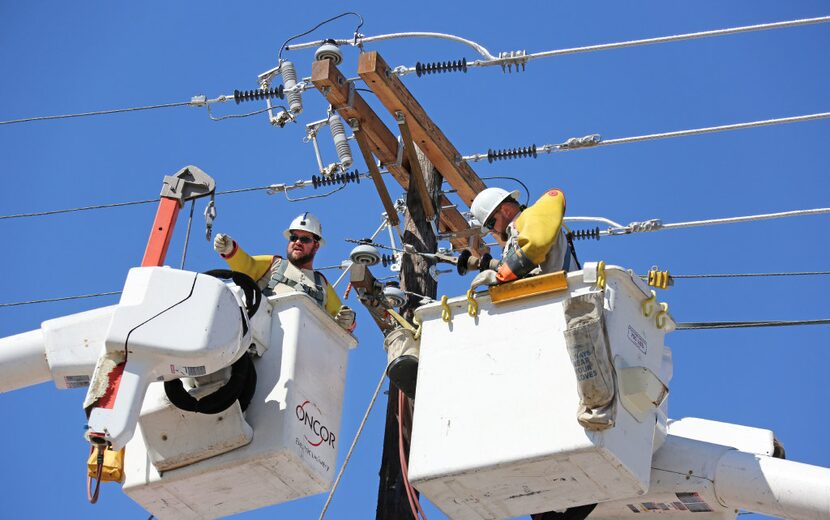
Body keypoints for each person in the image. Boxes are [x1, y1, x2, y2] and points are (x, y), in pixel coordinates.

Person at [213, 212, 355, 332]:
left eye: (305, 239)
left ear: (316, 246)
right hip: (265, 340)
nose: (298, 242)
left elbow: (342, 316)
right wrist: (230, 249)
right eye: (294, 238)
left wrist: (348, 320)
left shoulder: (321, 284)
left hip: (302, 348)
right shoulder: (274, 264)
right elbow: (247, 265)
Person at [469, 187, 577, 289]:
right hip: (548, 298)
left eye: (490, 224)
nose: (492, 230)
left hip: (564, 295)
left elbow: (536, 244)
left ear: (506, 210)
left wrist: (501, 276)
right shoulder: (519, 235)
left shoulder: (532, 216)